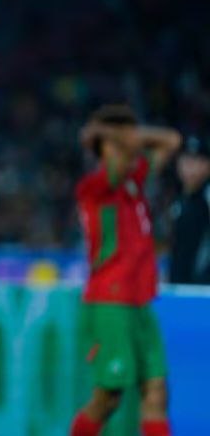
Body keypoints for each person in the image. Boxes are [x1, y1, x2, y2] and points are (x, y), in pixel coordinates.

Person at [71, 105, 181, 436]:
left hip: (140, 301)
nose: (134, 147)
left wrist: (114, 133)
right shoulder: (95, 187)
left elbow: (172, 141)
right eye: (122, 142)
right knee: (108, 398)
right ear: (105, 148)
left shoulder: (134, 181)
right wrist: (109, 136)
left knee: (157, 392)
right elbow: (118, 161)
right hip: (110, 301)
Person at [169, 134, 210, 284]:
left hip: (202, 288)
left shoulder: (207, 196)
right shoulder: (178, 197)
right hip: (179, 285)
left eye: (198, 161)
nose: (190, 167)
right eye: (185, 160)